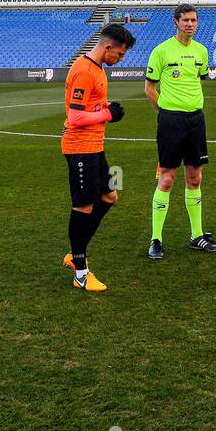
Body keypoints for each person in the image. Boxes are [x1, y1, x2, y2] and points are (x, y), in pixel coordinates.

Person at [60, 22, 136, 293]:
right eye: (121, 53)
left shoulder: (98, 69)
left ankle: (76, 252)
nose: (122, 58)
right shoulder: (84, 71)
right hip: (80, 147)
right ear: (108, 47)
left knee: (109, 196)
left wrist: (106, 107)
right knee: (83, 207)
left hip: (94, 146)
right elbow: (75, 117)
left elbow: (88, 106)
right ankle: (80, 270)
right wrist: (107, 115)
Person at [143, 4, 216, 259]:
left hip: (196, 120)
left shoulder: (201, 51)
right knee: (166, 179)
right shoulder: (161, 51)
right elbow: (149, 89)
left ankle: (196, 235)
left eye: (194, 20)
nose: (190, 24)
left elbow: (199, 79)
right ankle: (156, 239)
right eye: (185, 20)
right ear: (175, 22)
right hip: (171, 121)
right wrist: (164, 112)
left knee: (195, 178)